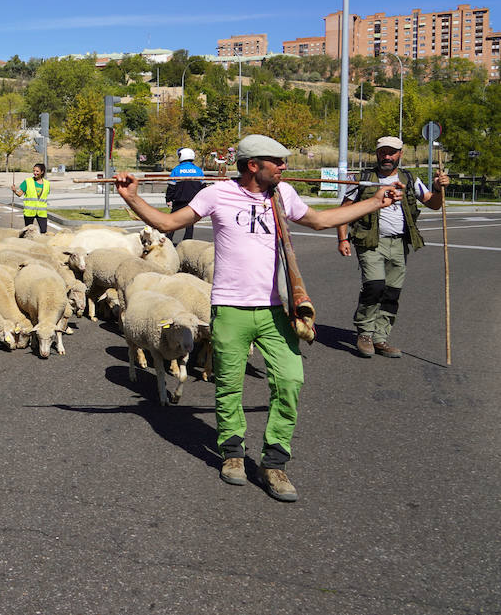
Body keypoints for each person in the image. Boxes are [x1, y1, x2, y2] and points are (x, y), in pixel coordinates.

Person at [114, 134, 402, 503]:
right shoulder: (216, 194)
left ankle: (274, 462)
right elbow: (169, 225)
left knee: (290, 380)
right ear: (254, 165)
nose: (284, 167)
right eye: (277, 162)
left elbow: (320, 220)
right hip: (230, 308)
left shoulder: (283, 195)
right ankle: (232, 454)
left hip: (276, 309)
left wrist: (375, 202)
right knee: (229, 385)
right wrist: (132, 197)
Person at [336, 135, 449, 359]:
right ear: (377, 153)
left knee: (392, 292)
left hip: (399, 243)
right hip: (370, 242)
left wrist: (438, 189)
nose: (386, 156)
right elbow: (344, 210)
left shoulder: (409, 178)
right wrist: (342, 239)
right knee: (375, 286)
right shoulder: (365, 178)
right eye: (382, 152)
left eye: (391, 152)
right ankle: (365, 333)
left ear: (400, 154)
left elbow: (433, 204)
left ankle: (380, 337)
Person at [164, 147, 206, 246]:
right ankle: (187, 244)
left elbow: (171, 187)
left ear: (182, 156)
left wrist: (168, 199)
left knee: (172, 222)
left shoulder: (176, 170)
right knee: (189, 224)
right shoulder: (198, 170)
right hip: (193, 202)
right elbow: (203, 187)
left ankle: (167, 243)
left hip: (179, 201)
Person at [12, 162, 51, 232]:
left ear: (42, 172)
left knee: (44, 232)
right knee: (28, 232)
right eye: (34, 171)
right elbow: (20, 194)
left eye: (37, 171)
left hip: (42, 212)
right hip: (29, 211)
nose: (35, 173)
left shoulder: (47, 183)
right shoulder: (27, 181)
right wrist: (15, 191)